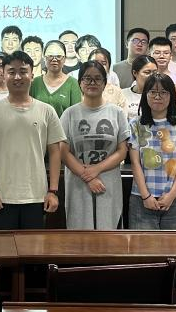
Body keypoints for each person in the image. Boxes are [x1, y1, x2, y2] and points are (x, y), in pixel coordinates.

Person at [0, 51, 66, 229]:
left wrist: (53, 191)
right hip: (1, 197)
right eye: (12, 72)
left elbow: (55, 152)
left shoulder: (46, 110)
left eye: (23, 71)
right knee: (3, 245)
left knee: (33, 246)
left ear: (32, 75)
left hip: (37, 196)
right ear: (4, 75)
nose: (17, 77)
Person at [60, 61, 129, 229]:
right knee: (80, 235)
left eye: (98, 78)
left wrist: (96, 169)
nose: (92, 83)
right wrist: (87, 175)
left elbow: (122, 151)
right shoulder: (69, 114)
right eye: (87, 78)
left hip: (108, 181)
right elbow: (64, 152)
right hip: (78, 182)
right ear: (80, 83)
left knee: (108, 233)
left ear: (105, 83)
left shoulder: (117, 113)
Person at [129, 73, 176, 230]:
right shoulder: (135, 124)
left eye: (163, 92)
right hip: (141, 198)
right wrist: (146, 196)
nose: (157, 97)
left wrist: (171, 195)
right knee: (142, 245)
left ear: (171, 95)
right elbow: (135, 163)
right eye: (153, 92)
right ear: (145, 95)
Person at [30, 40, 82, 116]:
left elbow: (76, 115)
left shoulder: (73, 83)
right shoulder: (35, 83)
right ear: (44, 58)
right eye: (50, 56)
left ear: (64, 58)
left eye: (58, 56)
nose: (54, 59)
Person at [121, 55, 158, 121]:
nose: (152, 76)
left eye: (155, 72)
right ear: (135, 73)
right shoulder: (122, 94)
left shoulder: (160, 95)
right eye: (147, 72)